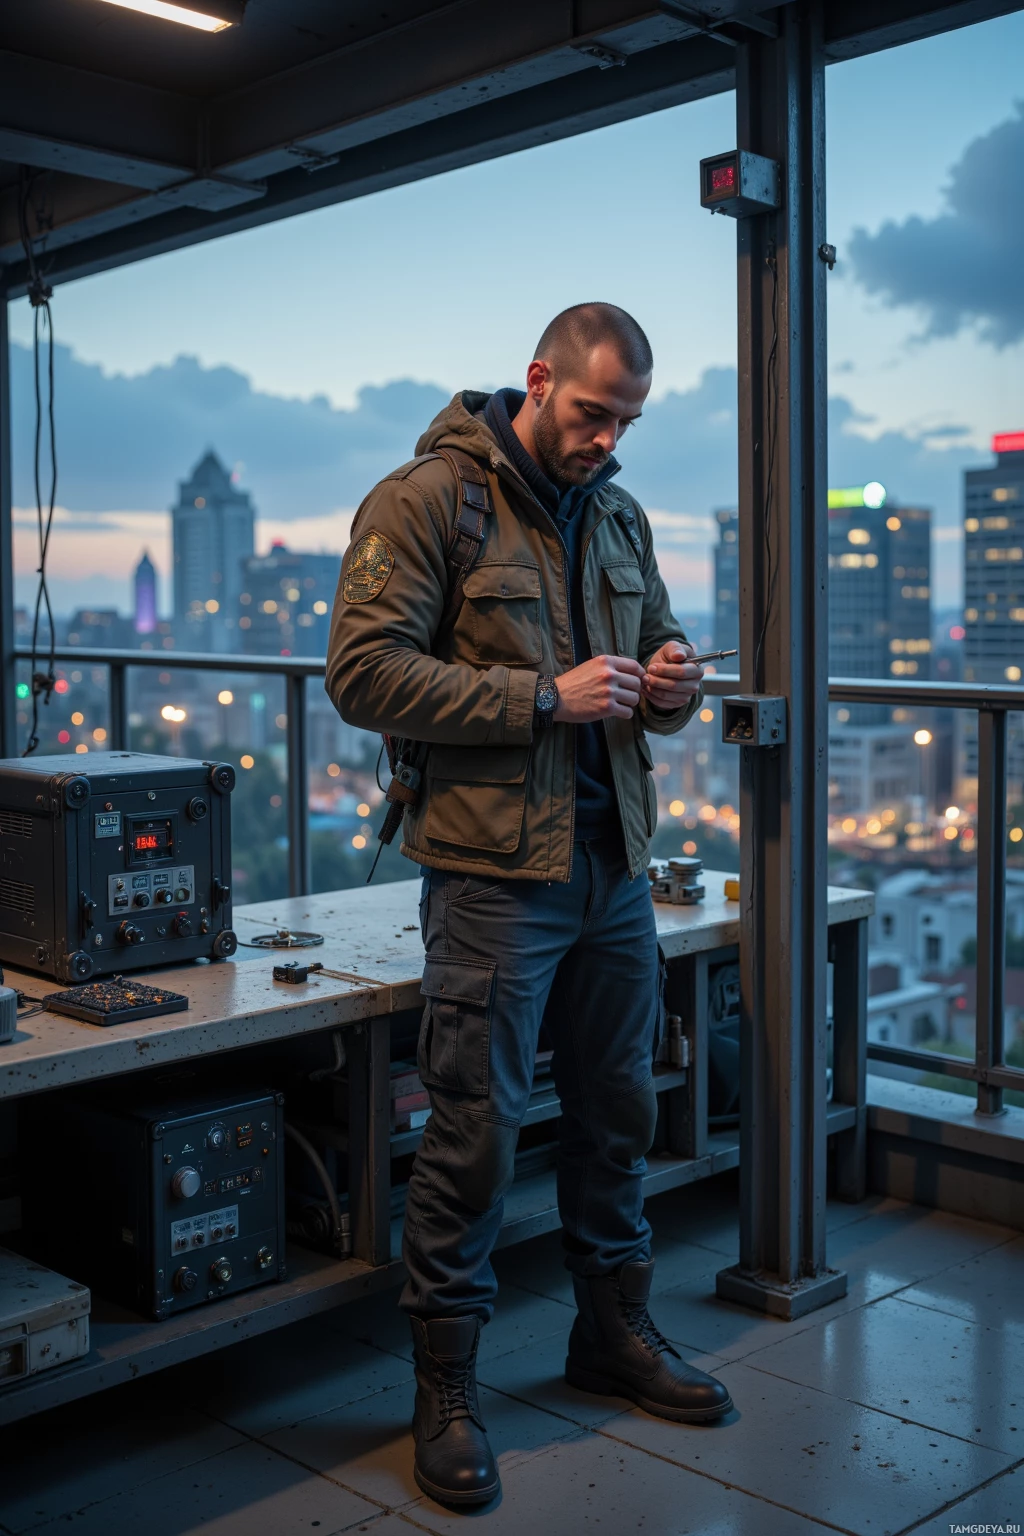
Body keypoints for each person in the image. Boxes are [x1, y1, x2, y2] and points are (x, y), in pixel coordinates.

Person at [326, 302, 732, 1510]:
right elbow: (359, 673)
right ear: (538, 381)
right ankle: (443, 1387)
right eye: (595, 413)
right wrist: (541, 699)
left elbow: (656, 667)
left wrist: (668, 686)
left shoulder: (617, 513)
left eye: (629, 422)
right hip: (494, 879)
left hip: (612, 871)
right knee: (474, 1135)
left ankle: (612, 1335)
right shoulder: (427, 501)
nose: (609, 440)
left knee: (615, 1113)